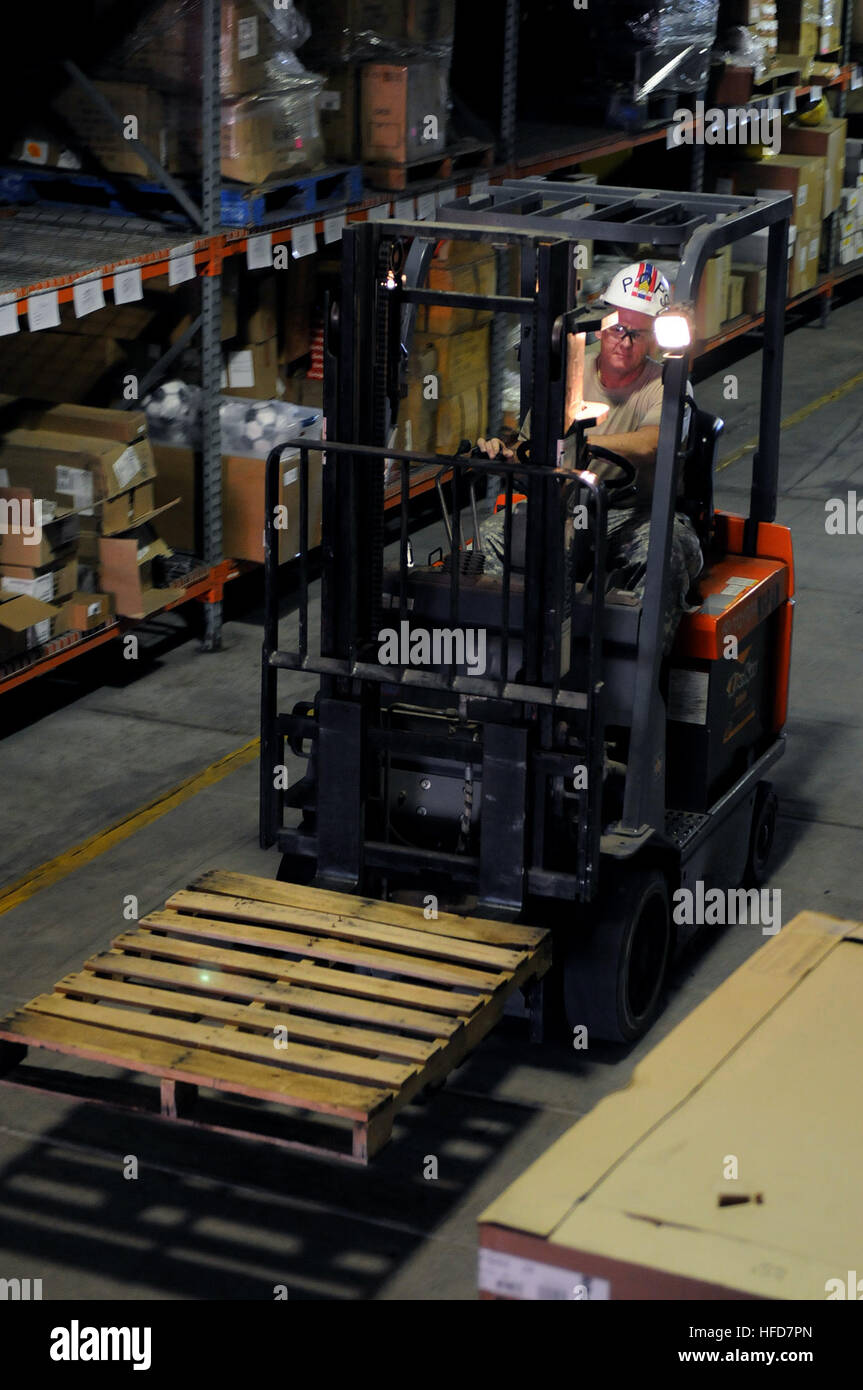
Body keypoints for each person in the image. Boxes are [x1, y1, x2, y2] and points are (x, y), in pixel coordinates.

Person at [476, 261, 703, 653]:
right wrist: (507, 454)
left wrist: (584, 445)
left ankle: (640, 676)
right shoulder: (570, 371)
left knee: (664, 551)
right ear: (602, 323)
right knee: (490, 539)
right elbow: (534, 444)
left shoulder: (667, 382)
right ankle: (499, 656)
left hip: (635, 512)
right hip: (564, 506)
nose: (625, 342)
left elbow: (655, 442)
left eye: (638, 333)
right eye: (618, 329)